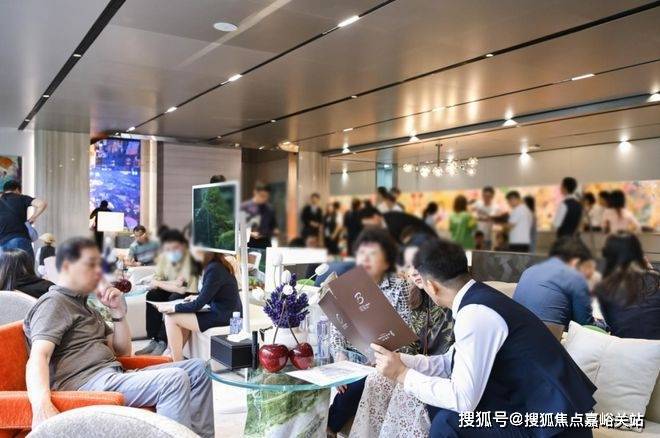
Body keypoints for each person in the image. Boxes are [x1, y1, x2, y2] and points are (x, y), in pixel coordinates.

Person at [371, 238, 597, 438]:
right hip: (534, 411)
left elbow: (463, 400)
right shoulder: (478, 299)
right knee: (435, 407)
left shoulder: (476, 313)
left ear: (431, 286)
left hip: (555, 428)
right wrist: (402, 362)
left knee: (449, 423)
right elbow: (450, 363)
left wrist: (402, 374)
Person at [23, 237, 214, 436]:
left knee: (199, 369)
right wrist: (41, 405)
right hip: (87, 385)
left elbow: (122, 351)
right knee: (173, 380)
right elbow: (39, 356)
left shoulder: (86, 306)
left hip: (112, 375)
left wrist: (118, 312)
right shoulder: (54, 303)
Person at [327, 228, 412, 435]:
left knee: (356, 385)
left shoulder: (399, 287)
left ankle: (328, 429)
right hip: (352, 360)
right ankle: (327, 428)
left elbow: (406, 330)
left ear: (386, 260)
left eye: (373, 254)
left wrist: (382, 356)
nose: (365, 258)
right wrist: (340, 359)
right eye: (362, 253)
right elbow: (337, 330)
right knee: (344, 383)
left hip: (385, 358)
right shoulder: (347, 285)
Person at [155, 250, 241, 361]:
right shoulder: (215, 265)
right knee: (180, 312)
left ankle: (176, 362)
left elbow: (198, 305)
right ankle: (174, 356)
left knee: (170, 317)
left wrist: (172, 308)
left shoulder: (214, 269)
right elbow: (213, 293)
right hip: (223, 311)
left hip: (224, 315)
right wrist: (196, 297)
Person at [136, 229, 200, 356]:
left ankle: (163, 341)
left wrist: (162, 283)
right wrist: (171, 283)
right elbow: (155, 282)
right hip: (172, 290)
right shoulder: (164, 258)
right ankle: (154, 339)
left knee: (173, 298)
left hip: (189, 293)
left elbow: (182, 289)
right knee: (152, 295)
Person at [513, 237, 595, 327]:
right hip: (546, 333)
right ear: (576, 261)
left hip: (515, 329)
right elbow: (585, 322)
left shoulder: (529, 270)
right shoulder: (575, 277)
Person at [595, 233, 660, 339]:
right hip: (655, 346)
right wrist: (650, 270)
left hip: (624, 346)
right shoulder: (655, 279)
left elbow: (613, 323)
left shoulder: (604, 288)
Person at [0, 180, 47, 259]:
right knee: (26, 265)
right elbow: (42, 204)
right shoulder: (22, 198)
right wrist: (33, 218)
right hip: (19, 238)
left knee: (7, 266)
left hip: (2, 243)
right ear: (17, 189)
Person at [241, 182, 279, 248]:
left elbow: (274, 228)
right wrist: (250, 234)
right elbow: (237, 229)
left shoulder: (270, 209)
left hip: (265, 245)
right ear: (255, 192)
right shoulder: (244, 207)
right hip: (248, 245)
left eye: (266, 197)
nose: (264, 199)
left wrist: (269, 232)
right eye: (262, 196)